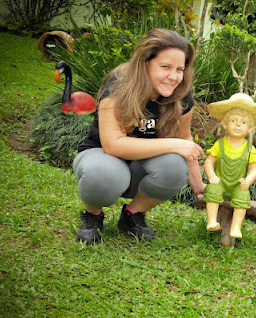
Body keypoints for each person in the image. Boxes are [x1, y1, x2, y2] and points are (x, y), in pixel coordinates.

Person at [73, 28, 205, 244]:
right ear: (145, 63)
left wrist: (200, 189)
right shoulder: (119, 83)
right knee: (104, 173)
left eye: (179, 69)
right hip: (101, 156)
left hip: (142, 164)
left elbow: (185, 140)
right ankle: (92, 215)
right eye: (165, 67)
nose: (174, 77)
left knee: (174, 166)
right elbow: (113, 145)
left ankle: (132, 215)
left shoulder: (181, 93)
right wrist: (173, 144)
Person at [203, 93, 256, 239]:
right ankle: (212, 221)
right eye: (233, 121)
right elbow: (208, 162)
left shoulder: (249, 149)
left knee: (242, 195)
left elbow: (253, 170)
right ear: (224, 124)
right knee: (212, 190)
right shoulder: (219, 144)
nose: (238, 125)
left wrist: (248, 181)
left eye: (243, 122)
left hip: (237, 185)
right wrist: (212, 175)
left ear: (250, 128)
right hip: (220, 182)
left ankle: (235, 227)